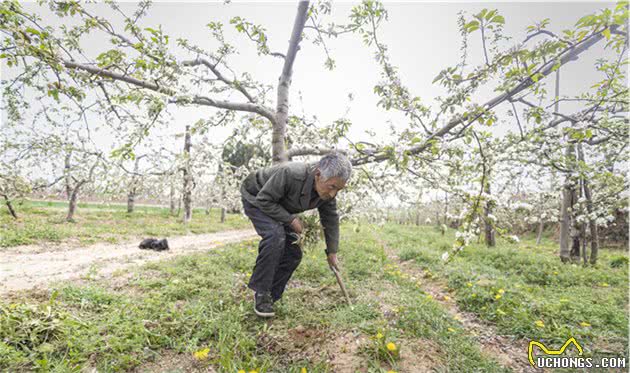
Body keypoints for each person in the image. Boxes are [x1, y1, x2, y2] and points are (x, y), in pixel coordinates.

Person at [240, 152, 352, 317]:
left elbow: (330, 220)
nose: (333, 194)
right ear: (318, 175)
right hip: (257, 197)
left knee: (294, 252)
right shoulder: (291, 173)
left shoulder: (326, 191)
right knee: (275, 236)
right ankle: (261, 293)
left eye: (338, 189)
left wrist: (332, 252)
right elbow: (265, 200)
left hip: (278, 204)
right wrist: (291, 220)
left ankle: (272, 296)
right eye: (332, 187)